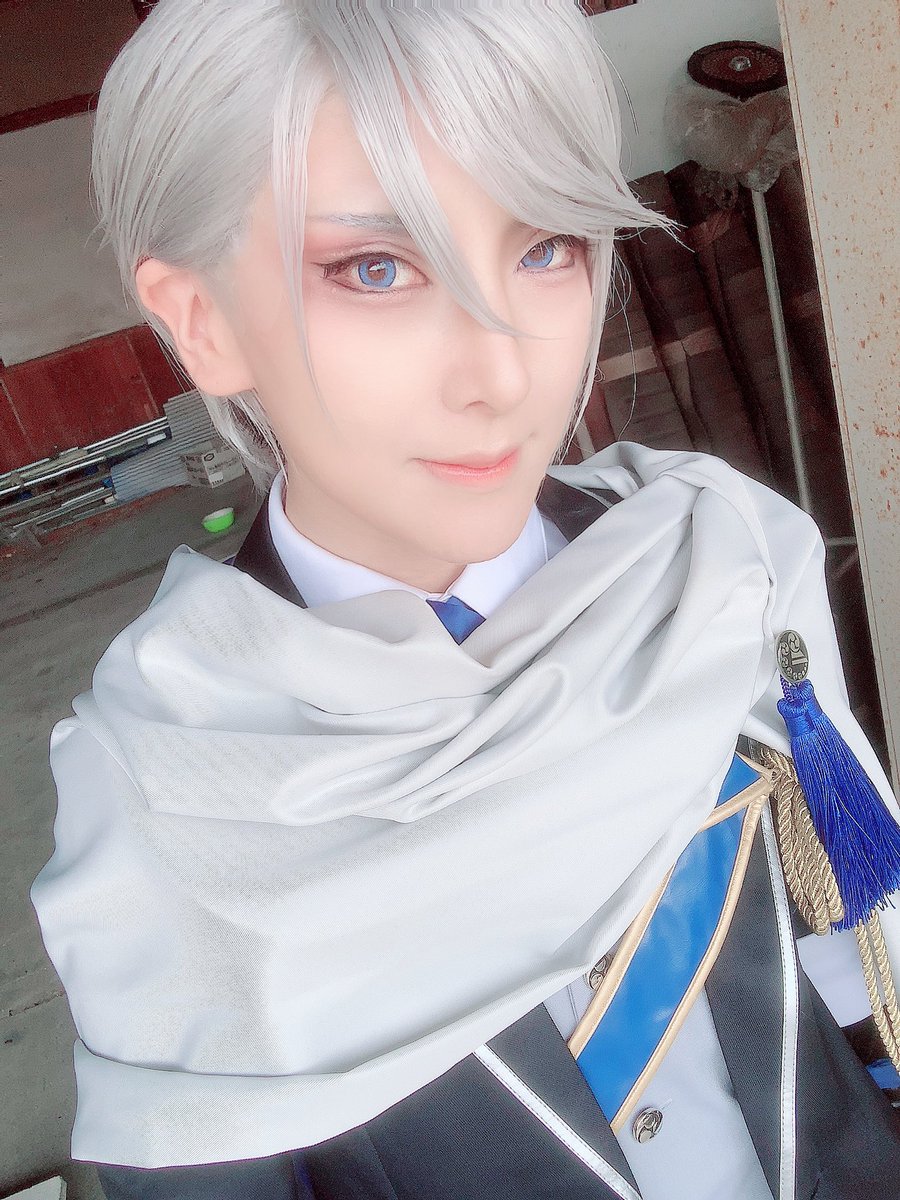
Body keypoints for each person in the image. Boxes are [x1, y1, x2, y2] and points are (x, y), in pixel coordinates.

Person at [30, 3, 900, 1198]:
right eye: (375, 269)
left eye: (546, 247)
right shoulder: (167, 797)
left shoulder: (715, 563)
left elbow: (851, 951)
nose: (502, 369)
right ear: (203, 321)